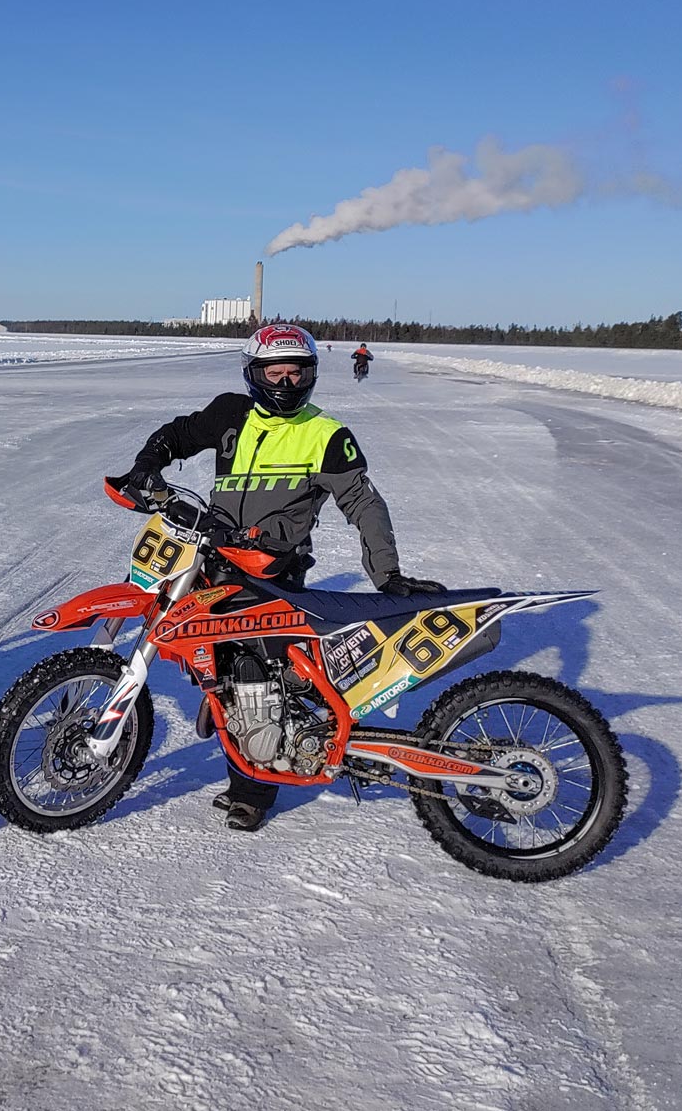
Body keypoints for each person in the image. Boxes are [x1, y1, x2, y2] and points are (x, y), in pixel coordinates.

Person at [110, 323, 444, 834]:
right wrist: (146, 465)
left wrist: (387, 575)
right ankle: (252, 769)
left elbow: (364, 502)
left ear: (310, 375)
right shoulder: (230, 414)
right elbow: (177, 433)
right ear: (255, 373)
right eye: (275, 371)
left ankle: (254, 790)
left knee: (255, 679)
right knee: (220, 678)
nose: (286, 383)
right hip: (212, 561)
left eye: (296, 372)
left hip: (274, 572)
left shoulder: (327, 435)